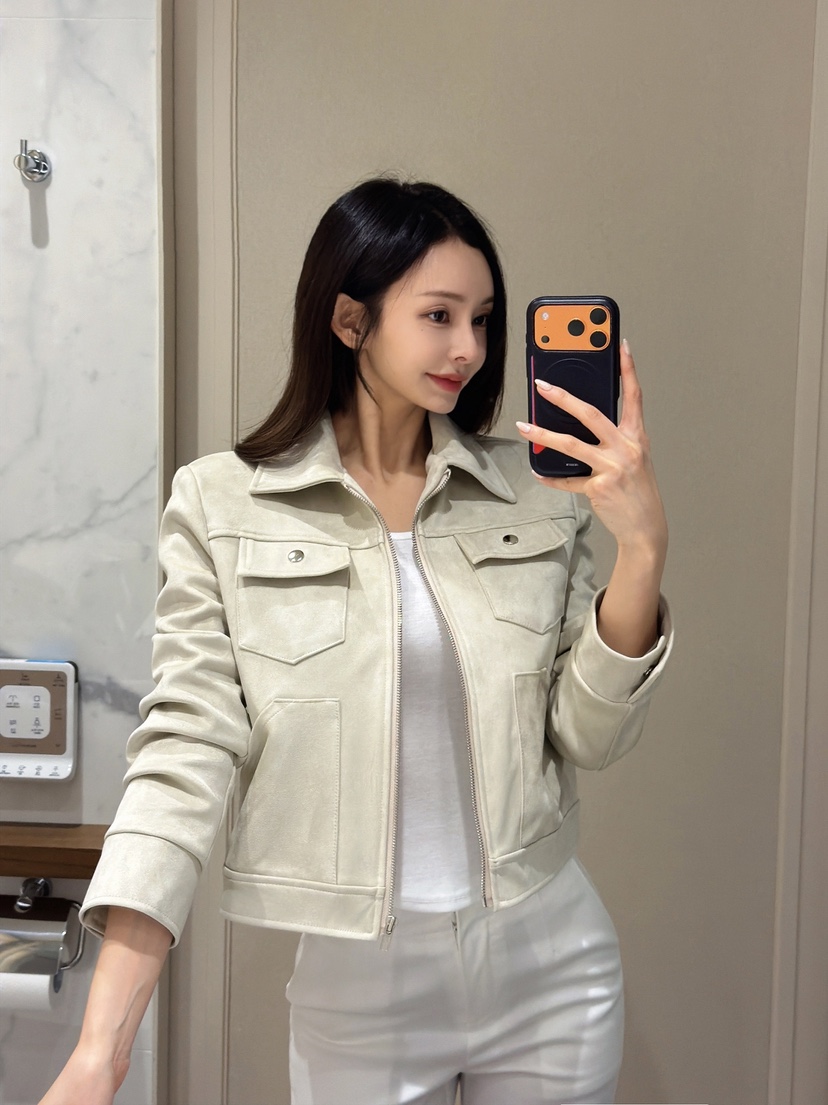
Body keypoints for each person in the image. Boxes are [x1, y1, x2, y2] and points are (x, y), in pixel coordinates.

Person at [41, 177, 672, 1105]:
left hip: (552, 961)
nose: (469, 347)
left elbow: (591, 734)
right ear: (350, 320)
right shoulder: (222, 505)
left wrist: (642, 549)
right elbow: (181, 757)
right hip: (362, 987)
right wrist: (102, 1049)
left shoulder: (537, 497)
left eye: (483, 319)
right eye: (438, 315)